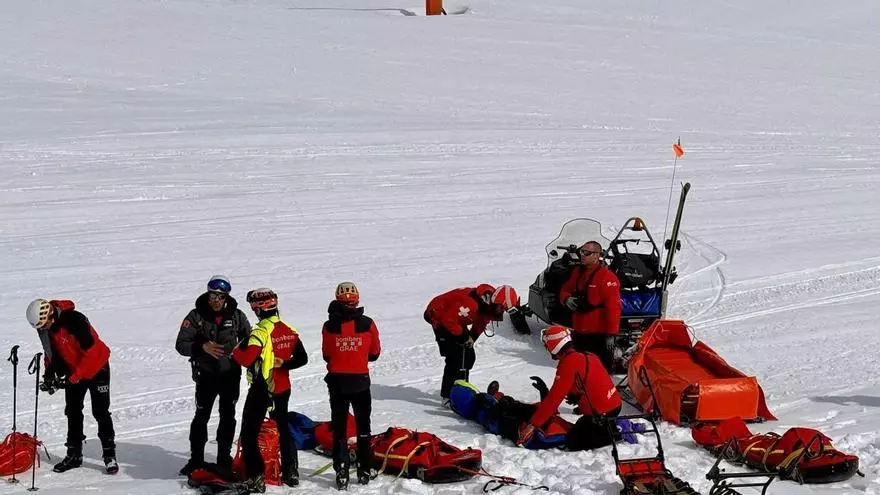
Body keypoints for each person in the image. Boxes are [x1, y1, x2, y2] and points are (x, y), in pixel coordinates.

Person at [26, 298, 117, 474]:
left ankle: (109, 455)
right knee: (73, 411)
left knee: (100, 411)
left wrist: (73, 378)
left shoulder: (75, 320)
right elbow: (50, 353)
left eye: (42, 325)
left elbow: (91, 352)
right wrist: (49, 375)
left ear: (49, 314)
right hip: (75, 370)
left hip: (97, 366)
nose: (41, 329)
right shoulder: (46, 329)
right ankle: (74, 455)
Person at [175, 275, 251, 476]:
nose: (215, 300)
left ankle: (223, 460)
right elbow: (180, 345)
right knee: (201, 416)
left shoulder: (237, 315)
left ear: (226, 297)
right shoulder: (195, 316)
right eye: (212, 295)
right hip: (206, 375)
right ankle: (196, 460)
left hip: (230, 375)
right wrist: (202, 347)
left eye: (219, 296)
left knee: (228, 416)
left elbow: (250, 340)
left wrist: (244, 355)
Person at [232, 288, 307, 493]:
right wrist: (283, 364)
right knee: (283, 428)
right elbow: (302, 359)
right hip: (283, 388)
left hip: (261, 389)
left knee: (249, 435)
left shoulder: (259, 332)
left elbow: (245, 358)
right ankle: (291, 473)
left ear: (257, 309)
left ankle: (255, 478)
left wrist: (236, 349)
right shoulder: (288, 329)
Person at [517, 325, 622, 451]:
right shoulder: (588, 355)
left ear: (552, 346)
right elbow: (595, 382)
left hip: (601, 413)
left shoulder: (568, 364)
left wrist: (533, 425)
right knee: (580, 426)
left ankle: (611, 435)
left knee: (573, 441)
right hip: (614, 405)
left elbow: (553, 400)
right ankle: (609, 428)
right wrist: (576, 395)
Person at [321, 282, 381, 490]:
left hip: (337, 382)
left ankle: (342, 471)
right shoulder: (368, 323)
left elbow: (326, 354)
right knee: (363, 427)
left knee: (340, 429)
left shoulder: (329, 326)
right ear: (357, 299)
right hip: (360, 382)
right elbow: (374, 353)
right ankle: (365, 469)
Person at [424, 284, 519, 405]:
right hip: (439, 315)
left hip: (455, 319)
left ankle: (462, 390)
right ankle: (447, 396)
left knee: (468, 356)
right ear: (496, 302)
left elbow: (480, 323)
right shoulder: (471, 304)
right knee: (455, 357)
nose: (502, 312)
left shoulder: (487, 306)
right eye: (502, 308)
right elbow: (448, 321)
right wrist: (463, 337)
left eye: (504, 310)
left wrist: (472, 338)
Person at [558, 241, 621, 371]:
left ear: (597, 255)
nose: (583, 255)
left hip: (598, 334)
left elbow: (614, 308)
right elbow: (565, 289)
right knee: (579, 369)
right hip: (579, 330)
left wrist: (611, 335)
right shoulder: (577, 272)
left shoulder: (607, 277)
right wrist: (566, 299)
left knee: (599, 370)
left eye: (587, 253)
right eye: (581, 251)